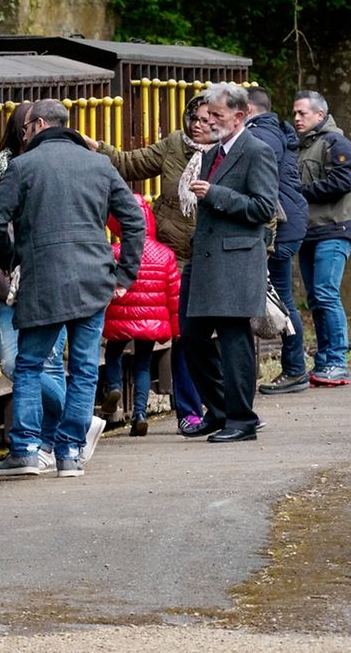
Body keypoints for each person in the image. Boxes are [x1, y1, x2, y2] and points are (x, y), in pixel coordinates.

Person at [0, 98, 144, 477]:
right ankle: (70, 453)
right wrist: (124, 275)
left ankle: (25, 450)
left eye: (25, 129)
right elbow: (134, 220)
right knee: (85, 368)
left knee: (29, 364)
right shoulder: (99, 164)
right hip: (95, 280)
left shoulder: (22, 167)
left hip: (42, 281)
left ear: (38, 124)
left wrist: (12, 261)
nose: (24, 134)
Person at [85, 94, 210, 433]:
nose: (199, 125)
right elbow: (130, 164)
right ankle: (188, 410)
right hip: (172, 257)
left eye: (207, 120)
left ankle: (215, 404)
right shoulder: (172, 146)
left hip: (211, 258)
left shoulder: (226, 155)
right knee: (183, 337)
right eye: (195, 118)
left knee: (208, 336)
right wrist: (99, 148)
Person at [181, 83, 278, 442]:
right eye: (207, 116)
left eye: (217, 116)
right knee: (191, 336)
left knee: (235, 338)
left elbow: (264, 208)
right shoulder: (212, 152)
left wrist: (216, 194)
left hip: (236, 258)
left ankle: (241, 419)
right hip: (205, 259)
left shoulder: (257, 151)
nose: (208, 122)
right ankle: (219, 410)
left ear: (240, 116)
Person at [245, 87, 311, 394]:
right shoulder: (270, 131)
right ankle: (294, 368)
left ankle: (295, 369)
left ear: (246, 110)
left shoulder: (264, 136)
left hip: (280, 228)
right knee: (281, 297)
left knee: (281, 299)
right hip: (287, 225)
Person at [292, 90, 351, 387]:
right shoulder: (301, 147)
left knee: (326, 293)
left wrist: (300, 193)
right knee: (316, 298)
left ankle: (337, 361)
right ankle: (324, 362)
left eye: (302, 113)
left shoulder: (335, 142)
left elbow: (342, 182)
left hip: (334, 229)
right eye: (294, 113)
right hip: (309, 232)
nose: (296, 118)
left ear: (320, 115)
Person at [102, 194, 181, 436]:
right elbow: (174, 297)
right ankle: (139, 414)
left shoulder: (114, 251)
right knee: (143, 365)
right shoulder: (165, 254)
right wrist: (177, 331)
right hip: (151, 322)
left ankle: (114, 388)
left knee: (113, 354)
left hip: (120, 319)